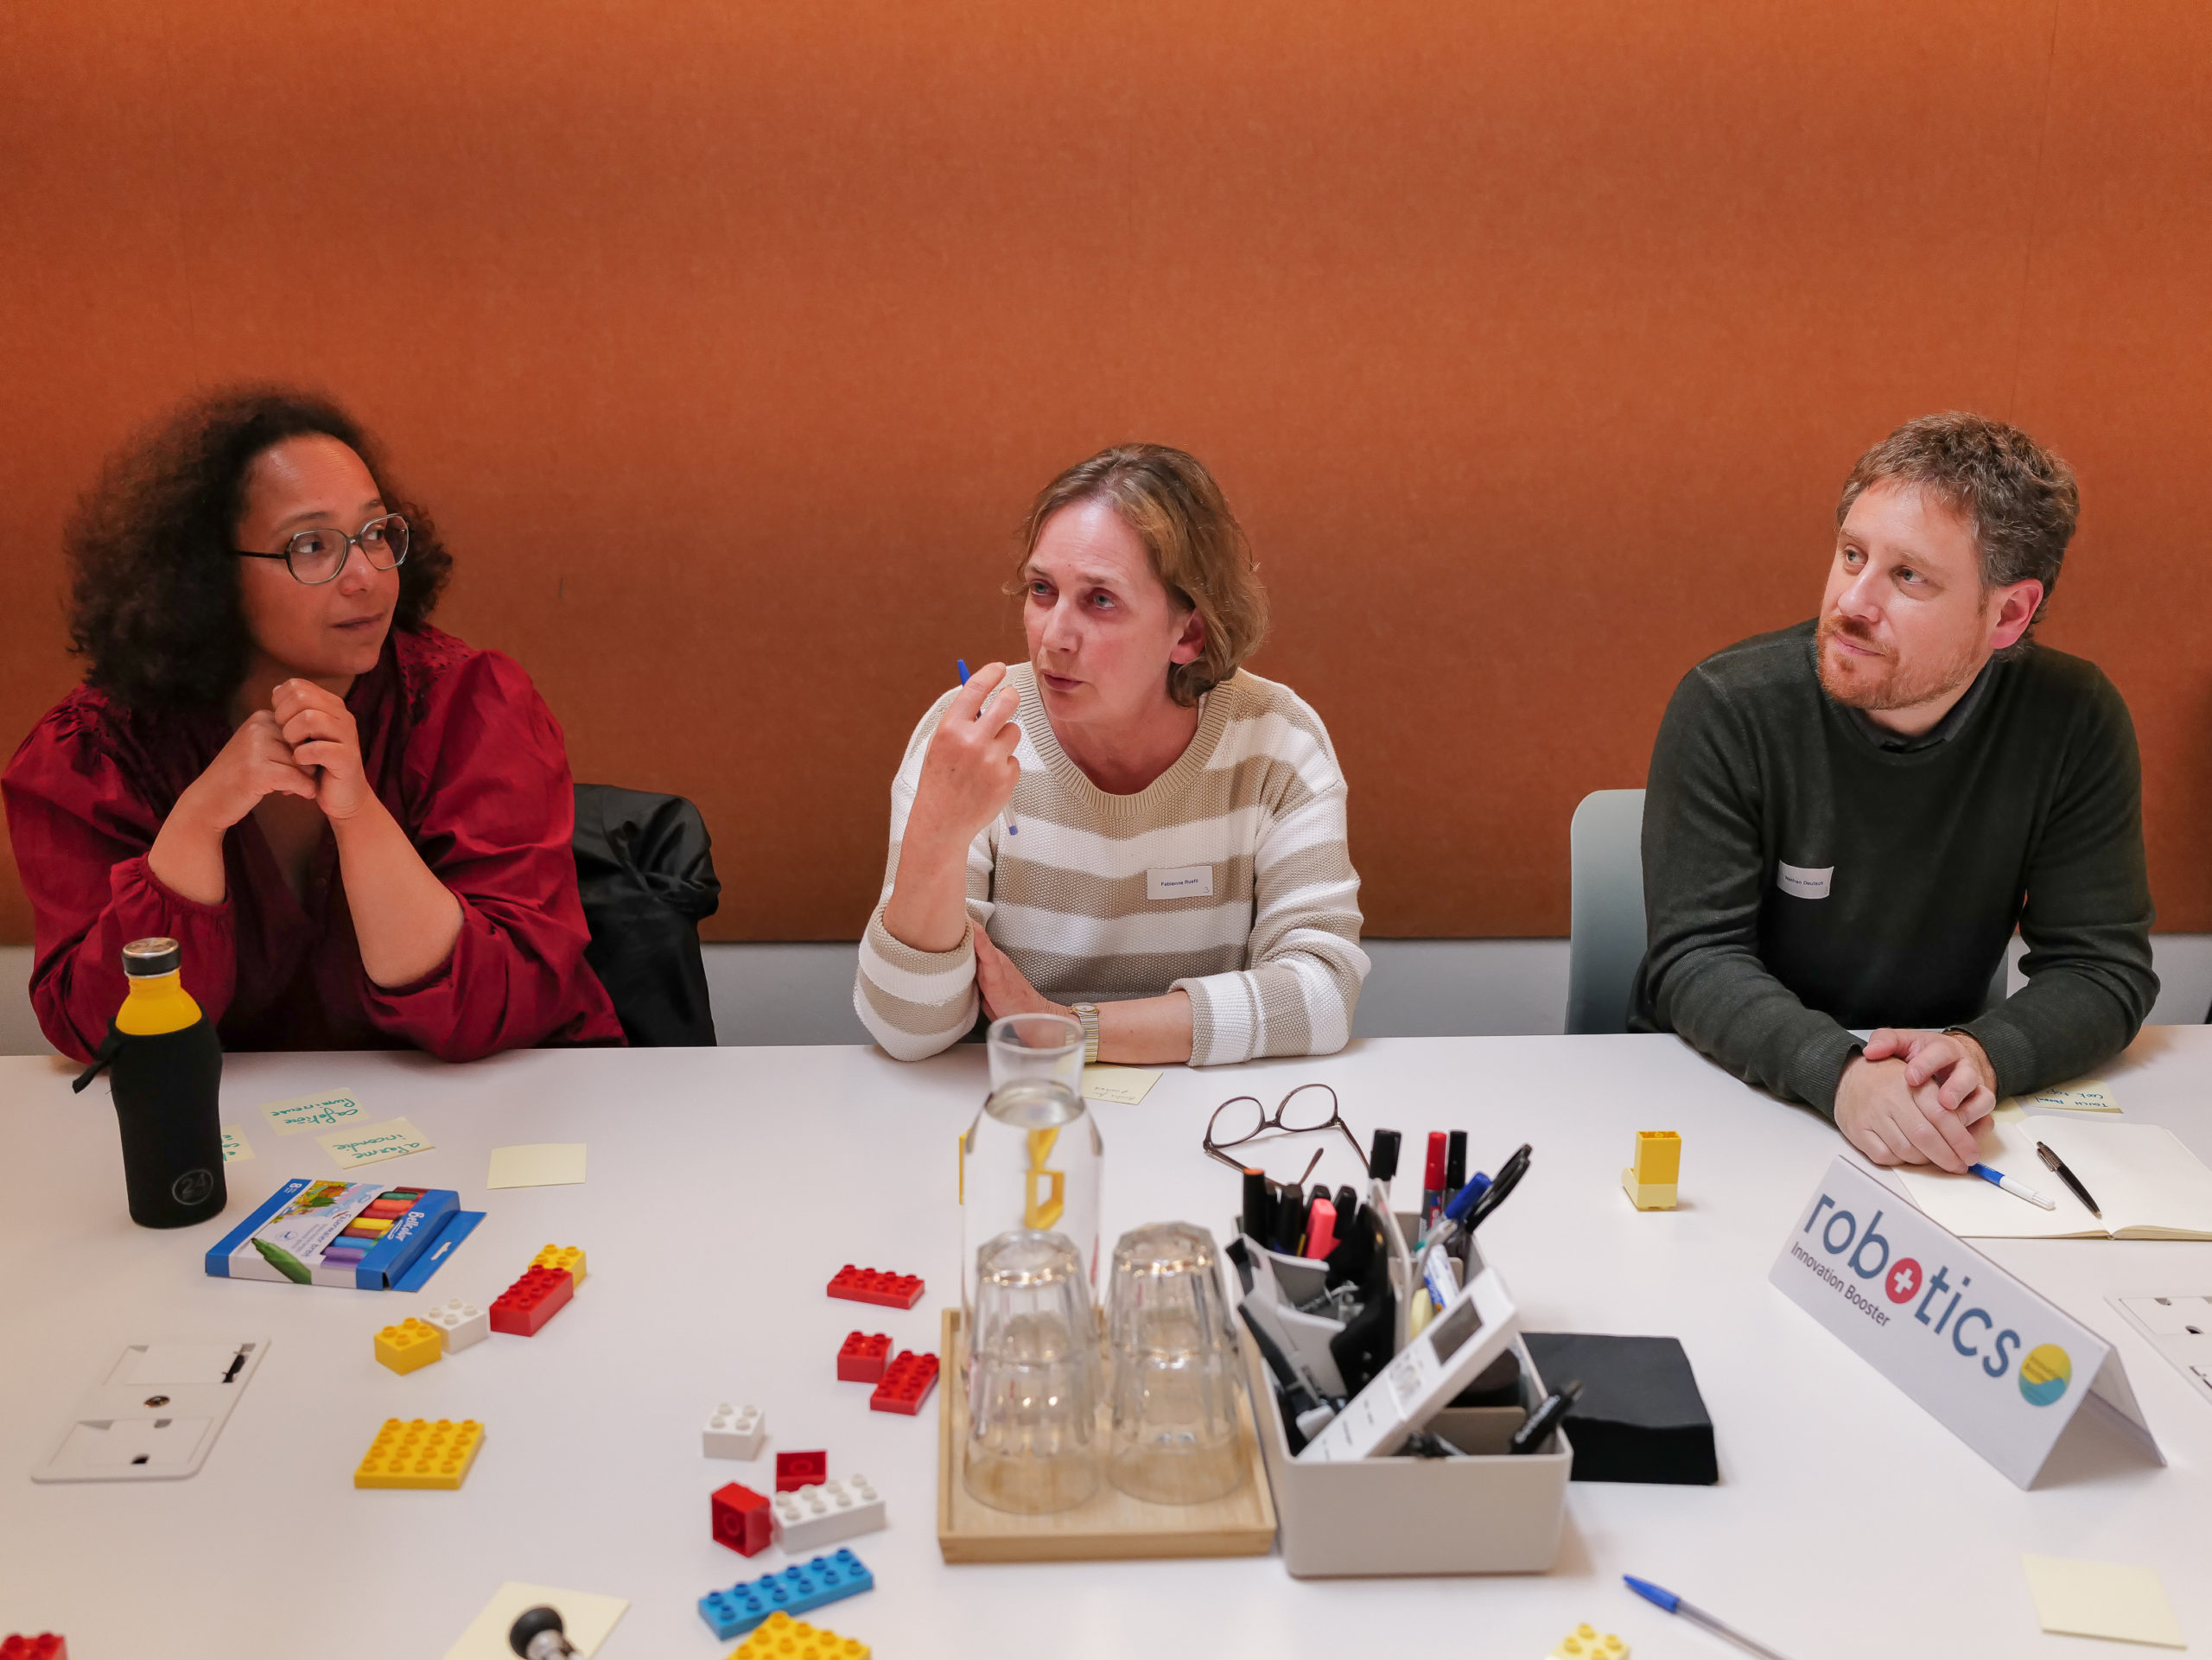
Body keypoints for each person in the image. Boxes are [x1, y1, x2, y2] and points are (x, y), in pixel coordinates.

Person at [3, 388, 625, 1062]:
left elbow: (499, 1006)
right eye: (310, 545)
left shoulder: (473, 704)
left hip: (498, 1114)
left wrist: (359, 814)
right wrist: (197, 822)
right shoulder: (95, 750)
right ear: (206, 577)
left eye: (375, 533)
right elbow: (102, 1035)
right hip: (250, 1139)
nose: (364, 575)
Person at [1631, 412, 2157, 1170]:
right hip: (1722, 1096)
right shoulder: (1729, 704)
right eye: (1852, 555)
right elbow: (1695, 959)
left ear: (2008, 614)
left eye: (1907, 576)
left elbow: (2102, 966)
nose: (1852, 601)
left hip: (1927, 1102)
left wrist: (1983, 1053)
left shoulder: (2073, 719)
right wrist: (1840, 1075)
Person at [854, 443, 1368, 1065]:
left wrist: (1069, 1028)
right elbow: (908, 1029)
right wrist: (938, 829)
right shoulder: (970, 737)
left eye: (1100, 600)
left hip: (1204, 1124)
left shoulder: (1278, 742)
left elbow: (1320, 994)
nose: (1054, 638)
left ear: (1188, 633)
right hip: (1018, 1110)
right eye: (1042, 590)